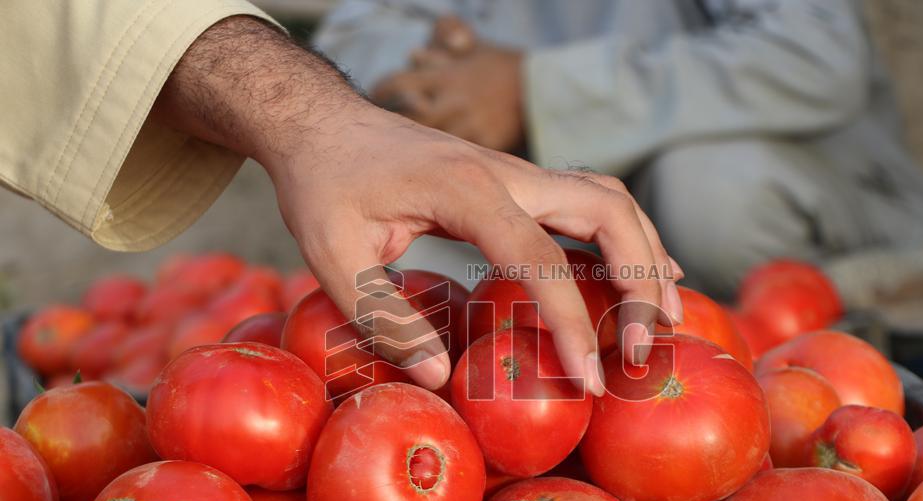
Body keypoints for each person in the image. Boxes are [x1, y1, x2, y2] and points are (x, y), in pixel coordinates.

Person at [0, 0, 687, 397]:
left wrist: (538, 89)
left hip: (621, 132)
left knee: (717, 189)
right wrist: (348, 113)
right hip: (427, 135)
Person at [314, 0, 923, 296]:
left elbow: (813, 55)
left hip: (809, 199)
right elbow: (355, 36)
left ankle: (817, 350)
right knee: (378, 224)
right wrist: (441, 85)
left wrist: (538, 94)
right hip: (570, 231)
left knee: (711, 191)